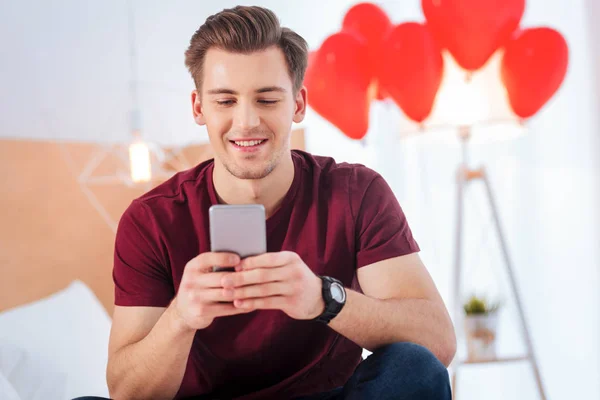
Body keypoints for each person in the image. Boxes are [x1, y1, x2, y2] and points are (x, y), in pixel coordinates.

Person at [77, 5, 456, 400]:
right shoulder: (150, 219)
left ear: (297, 104)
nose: (246, 122)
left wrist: (324, 298)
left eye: (266, 100)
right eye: (225, 101)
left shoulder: (356, 193)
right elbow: (126, 393)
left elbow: (437, 344)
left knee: (413, 368)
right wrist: (180, 318)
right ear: (198, 108)